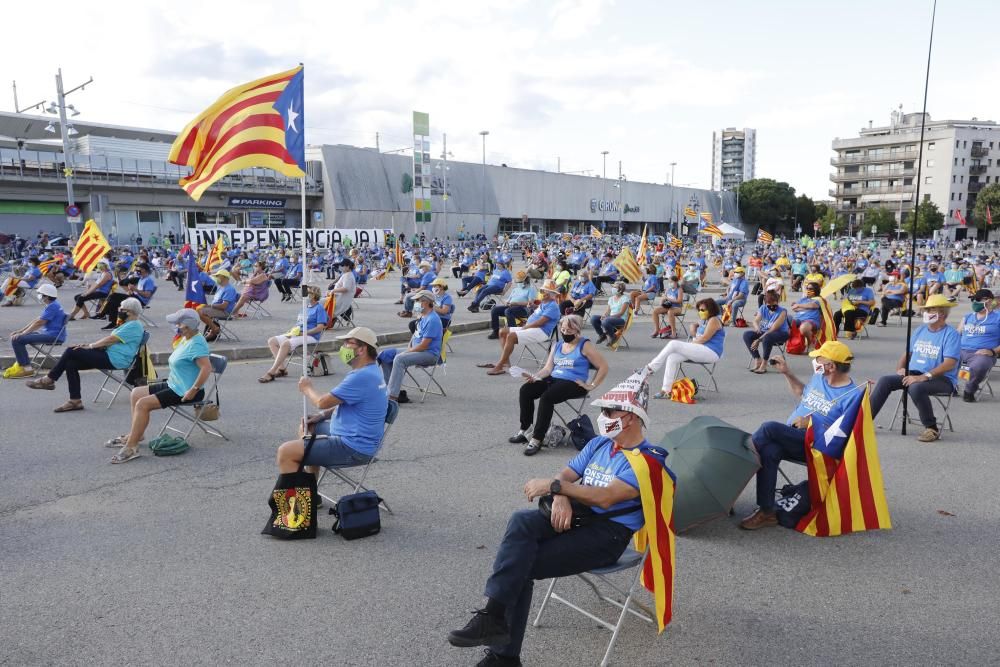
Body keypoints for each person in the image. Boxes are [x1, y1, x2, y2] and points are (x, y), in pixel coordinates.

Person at [448, 373, 656, 666]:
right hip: (579, 517)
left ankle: (503, 656)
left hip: (608, 535)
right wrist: (560, 496)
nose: (602, 416)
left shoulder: (649, 460)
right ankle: (493, 617)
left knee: (521, 564)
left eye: (609, 411)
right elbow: (566, 476)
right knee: (522, 520)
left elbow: (607, 497)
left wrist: (555, 488)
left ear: (630, 417)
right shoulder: (599, 445)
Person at [739, 341, 859, 530]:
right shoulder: (820, 377)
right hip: (794, 436)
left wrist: (811, 424)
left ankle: (736, 468)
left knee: (769, 428)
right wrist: (787, 373)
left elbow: (843, 437)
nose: (816, 360)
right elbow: (801, 393)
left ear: (832, 366)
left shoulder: (852, 395)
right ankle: (767, 511)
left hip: (817, 447)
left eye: (820, 358)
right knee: (770, 450)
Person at [277, 327, 389, 474]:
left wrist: (307, 388)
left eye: (348, 343)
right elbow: (344, 401)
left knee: (286, 452)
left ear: (362, 350)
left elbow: (321, 402)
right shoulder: (371, 371)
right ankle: (310, 489)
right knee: (308, 427)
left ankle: (299, 496)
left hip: (353, 446)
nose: (343, 348)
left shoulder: (361, 377)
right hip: (351, 435)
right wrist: (321, 416)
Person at [106, 308, 211, 464]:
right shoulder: (186, 338)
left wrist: (193, 390)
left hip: (186, 391)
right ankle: (136, 434)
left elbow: (206, 368)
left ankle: (131, 447)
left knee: (143, 404)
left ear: (188, 325)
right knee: (136, 393)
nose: (176, 326)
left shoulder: (197, 343)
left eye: (178, 323)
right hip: (174, 384)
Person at [509, 315, 609, 456]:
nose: (565, 333)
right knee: (526, 390)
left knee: (547, 397)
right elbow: (548, 369)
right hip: (554, 379)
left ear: (577, 330)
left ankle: (537, 438)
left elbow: (603, 367)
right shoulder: (558, 345)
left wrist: (591, 385)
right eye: (563, 329)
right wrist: (535, 376)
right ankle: (525, 429)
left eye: (569, 330)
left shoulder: (584, 345)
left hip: (574, 383)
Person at [869, 294, 961, 443]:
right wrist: (901, 368)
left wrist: (925, 376)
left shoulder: (951, 334)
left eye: (931, 310)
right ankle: (864, 422)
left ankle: (931, 428)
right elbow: (907, 353)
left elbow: (950, 363)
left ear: (942, 314)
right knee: (885, 381)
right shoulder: (921, 330)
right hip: (914, 374)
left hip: (941, 379)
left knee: (916, 387)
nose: (927, 313)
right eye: (927, 309)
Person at [27, 297, 146, 411]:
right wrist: (87, 345)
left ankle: (50, 379)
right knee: (71, 363)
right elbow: (109, 341)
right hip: (109, 354)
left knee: (71, 350)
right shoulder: (128, 324)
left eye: (121, 309)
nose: (119, 310)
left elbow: (111, 339)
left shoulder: (134, 325)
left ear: (129, 312)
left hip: (116, 359)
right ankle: (75, 401)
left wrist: (90, 346)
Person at [647, 298, 725, 398]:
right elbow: (696, 335)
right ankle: (666, 390)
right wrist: (693, 327)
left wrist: (692, 340)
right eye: (699, 310)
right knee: (672, 357)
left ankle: (651, 367)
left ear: (711, 310)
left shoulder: (714, 320)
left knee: (673, 344)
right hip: (701, 349)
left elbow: (703, 339)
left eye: (703, 310)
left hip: (711, 352)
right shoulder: (705, 320)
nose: (700, 312)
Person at [482, 281, 560, 376]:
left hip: (541, 332)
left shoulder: (553, 306)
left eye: (544, 292)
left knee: (511, 336)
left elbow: (540, 323)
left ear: (549, 295)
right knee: (502, 331)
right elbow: (538, 314)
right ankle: (506, 362)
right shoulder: (545, 303)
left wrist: (525, 326)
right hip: (532, 328)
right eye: (542, 291)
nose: (541, 293)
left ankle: (500, 365)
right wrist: (534, 306)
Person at [378, 290, 442, 403]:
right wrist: (409, 348)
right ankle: (388, 390)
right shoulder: (422, 316)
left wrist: (407, 352)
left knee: (399, 359)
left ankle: (392, 397)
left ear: (425, 302)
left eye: (417, 301)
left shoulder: (433, 320)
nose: (415, 304)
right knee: (385, 355)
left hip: (429, 354)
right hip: (417, 350)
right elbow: (415, 336)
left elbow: (423, 346)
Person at [259, 286, 330, 383]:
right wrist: (291, 332)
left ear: (314, 295)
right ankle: (282, 369)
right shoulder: (304, 307)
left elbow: (320, 327)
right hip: (298, 333)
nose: (304, 296)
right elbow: (299, 324)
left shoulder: (319, 308)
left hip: (310, 336)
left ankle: (271, 372)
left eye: (308, 294)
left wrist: (304, 333)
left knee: (285, 344)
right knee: (272, 341)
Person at [5, 284, 67, 378]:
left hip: (53, 336)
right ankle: (25, 366)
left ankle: (26, 368)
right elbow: (37, 320)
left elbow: (40, 323)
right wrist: (20, 331)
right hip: (51, 334)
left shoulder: (52, 307)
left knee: (17, 340)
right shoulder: (53, 305)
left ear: (47, 296)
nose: (40, 296)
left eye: (41, 294)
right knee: (19, 337)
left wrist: (23, 333)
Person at [957, 289, 1000, 402]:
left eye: (978, 300)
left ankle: (969, 390)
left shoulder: (998, 317)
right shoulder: (967, 317)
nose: (975, 302)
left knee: (978, 365)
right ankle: (949, 385)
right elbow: (957, 334)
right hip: (961, 350)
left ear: (989, 301)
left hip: (982, 353)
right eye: (974, 300)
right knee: (941, 358)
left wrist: (993, 351)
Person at [99, 263, 155, 329]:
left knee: (114, 298)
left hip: (140, 301)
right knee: (114, 299)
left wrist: (135, 289)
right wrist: (132, 291)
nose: (137, 270)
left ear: (144, 270)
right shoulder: (141, 278)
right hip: (135, 297)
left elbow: (147, 295)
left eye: (139, 269)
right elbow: (139, 291)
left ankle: (104, 315)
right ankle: (112, 321)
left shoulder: (148, 280)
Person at [744, 290, 790, 373]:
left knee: (767, 337)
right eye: (769, 305)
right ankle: (757, 359)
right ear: (765, 303)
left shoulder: (783, 311)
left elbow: (773, 328)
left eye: (774, 304)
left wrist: (759, 339)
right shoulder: (763, 308)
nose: (772, 307)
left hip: (781, 333)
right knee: (747, 335)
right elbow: (755, 321)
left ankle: (764, 364)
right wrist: (757, 327)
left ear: (778, 301)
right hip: (765, 332)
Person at [488, 271, 534, 340]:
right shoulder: (515, 289)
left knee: (508, 311)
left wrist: (516, 303)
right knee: (495, 310)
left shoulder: (530, 289)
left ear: (525, 281)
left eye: (520, 282)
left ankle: (513, 333)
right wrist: (507, 302)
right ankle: (496, 331)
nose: (518, 284)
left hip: (523, 309)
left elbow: (530, 303)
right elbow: (508, 300)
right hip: (511, 307)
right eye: (518, 282)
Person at [198, 269, 237, 341]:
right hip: (217, 309)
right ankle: (213, 329)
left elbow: (224, 306)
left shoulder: (229, 289)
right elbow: (216, 303)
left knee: (201, 312)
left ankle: (214, 329)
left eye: (218, 276)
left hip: (224, 311)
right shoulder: (220, 287)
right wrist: (208, 306)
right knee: (198, 308)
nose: (216, 278)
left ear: (224, 277)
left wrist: (211, 306)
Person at [590, 281, 631, 346]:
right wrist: (604, 315)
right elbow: (608, 311)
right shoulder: (611, 298)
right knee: (593, 318)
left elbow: (621, 313)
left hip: (620, 320)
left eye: (615, 287)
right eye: (613, 287)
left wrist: (608, 317)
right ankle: (602, 335)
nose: (613, 289)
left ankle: (613, 337)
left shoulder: (625, 298)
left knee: (606, 321)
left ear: (620, 289)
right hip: (610, 319)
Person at [789, 282, 822, 349]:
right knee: (786, 318)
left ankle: (810, 343)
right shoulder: (803, 299)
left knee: (804, 328)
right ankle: (794, 344)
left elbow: (813, 305)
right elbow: (794, 309)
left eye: (810, 288)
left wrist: (799, 305)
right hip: (798, 319)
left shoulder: (819, 299)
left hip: (811, 320)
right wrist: (805, 307)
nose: (808, 290)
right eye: (807, 288)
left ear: (816, 290)